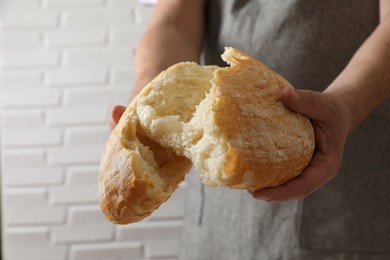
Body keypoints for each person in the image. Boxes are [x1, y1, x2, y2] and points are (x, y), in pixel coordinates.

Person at [109, 0, 390, 259]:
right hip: (214, 222)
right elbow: (173, 22)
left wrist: (346, 103)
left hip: (341, 206)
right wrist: (147, 95)